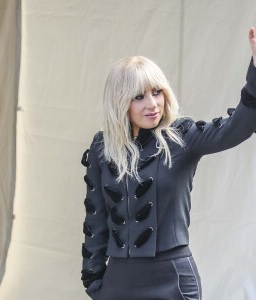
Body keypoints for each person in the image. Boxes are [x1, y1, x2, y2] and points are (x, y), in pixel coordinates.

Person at [80, 27, 256, 300]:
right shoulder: (103, 148)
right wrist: (94, 282)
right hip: (117, 282)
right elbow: (96, 220)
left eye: (157, 92)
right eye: (139, 96)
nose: (153, 104)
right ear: (120, 102)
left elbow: (238, 127)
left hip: (172, 281)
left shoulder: (182, 137)